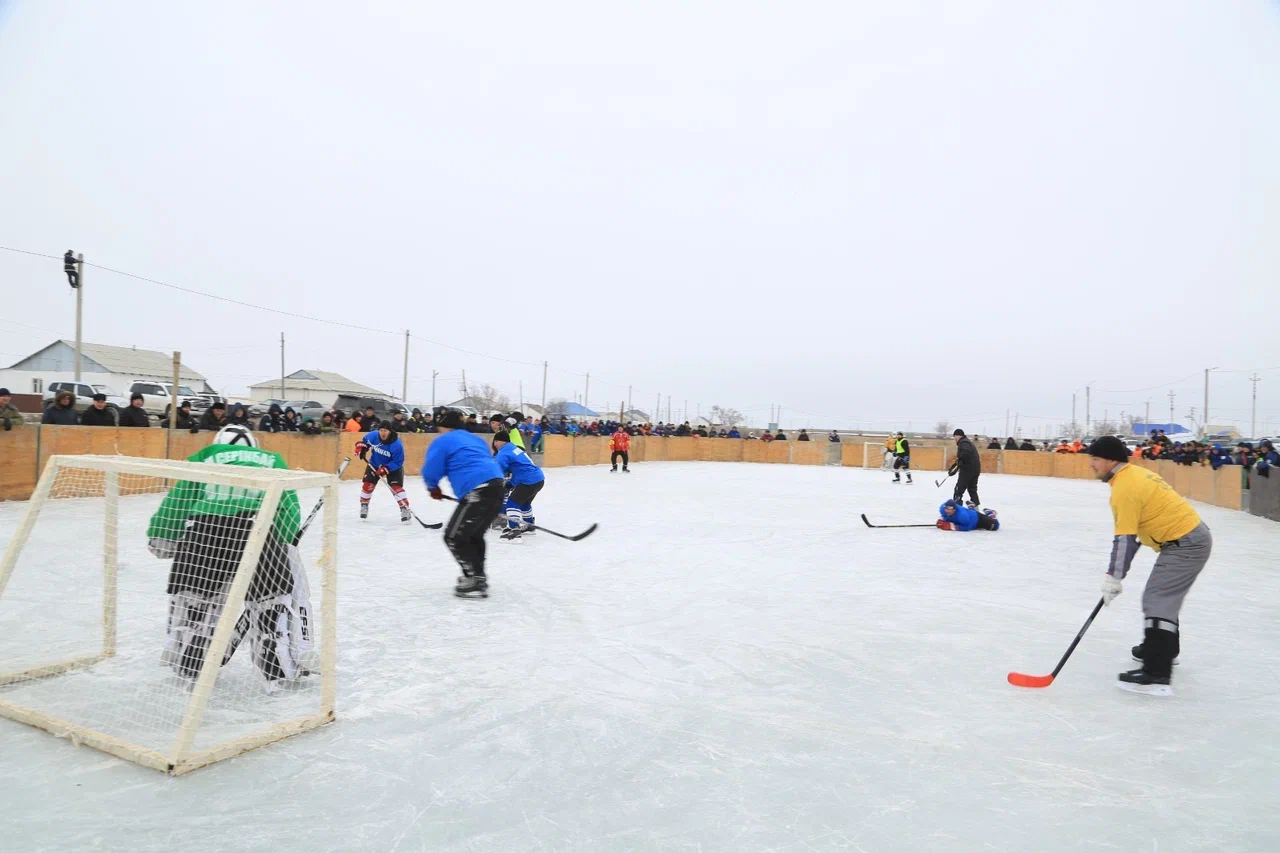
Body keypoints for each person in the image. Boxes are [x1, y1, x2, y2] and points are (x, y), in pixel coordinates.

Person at [145, 424, 315, 685]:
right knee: (270, 611)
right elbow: (288, 507)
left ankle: (189, 671)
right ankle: (278, 674)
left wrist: (162, 536)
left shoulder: (205, 456)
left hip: (206, 536)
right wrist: (283, 540)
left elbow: (178, 500)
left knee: (197, 608)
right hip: (260, 534)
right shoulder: (272, 460)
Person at [1086, 436, 1211, 695]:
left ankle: (1157, 673)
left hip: (1185, 543)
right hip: (1187, 538)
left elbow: (1124, 540)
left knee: (1158, 599)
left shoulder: (1125, 488)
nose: (1092, 464)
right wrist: (1118, 573)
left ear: (1110, 460)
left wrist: (1114, 577)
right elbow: (1137, 531)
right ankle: (1161, 648)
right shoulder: (1134, 475)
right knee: (1164, 596)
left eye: (1095, 459)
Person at [422, 410, 505, 598]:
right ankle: (479, 576)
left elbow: (431, 469)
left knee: (453, 536)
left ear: (444, 426)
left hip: (478, 490)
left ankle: (473, 577)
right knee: (474, 536)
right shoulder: (475, 439)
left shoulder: (443, 440)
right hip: (497, 486)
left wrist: (433, 487)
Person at [492, 429, 546, 540]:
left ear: (502, 441)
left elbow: (496, 470)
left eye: (496, 441)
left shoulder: (503, 452)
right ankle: (529, 526)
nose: (494, 444)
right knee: (524, 503)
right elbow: (520, 468)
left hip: (528, 480)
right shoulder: (514, 448)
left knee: (512, 503)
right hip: (538, 478)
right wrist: (510, 484)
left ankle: (514, 531)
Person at [356, 424, 411, 522]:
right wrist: (361, 448)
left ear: (390, 431)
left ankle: (405, 509)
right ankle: (364, 505)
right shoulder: (374, 435)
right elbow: (365, 442)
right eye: (381, 430)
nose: (383, 433)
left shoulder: (396, 444)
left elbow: (398, 462)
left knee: (396, 488)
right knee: (368, 485)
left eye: (385, 431)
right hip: (375, 464)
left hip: (393, 467)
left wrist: (386, 469)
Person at [948, 429, 981, 508]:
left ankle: (957, 509)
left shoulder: (963, 442)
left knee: (958, 490)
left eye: (955, 436)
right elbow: (966, 455)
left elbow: (966, 453)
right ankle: (976, 508)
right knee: (972, 489)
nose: (955, 438)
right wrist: (957, 463)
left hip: (968, 470)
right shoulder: (967, 442)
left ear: (959, 436)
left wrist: (960, 461)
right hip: (975, 469)